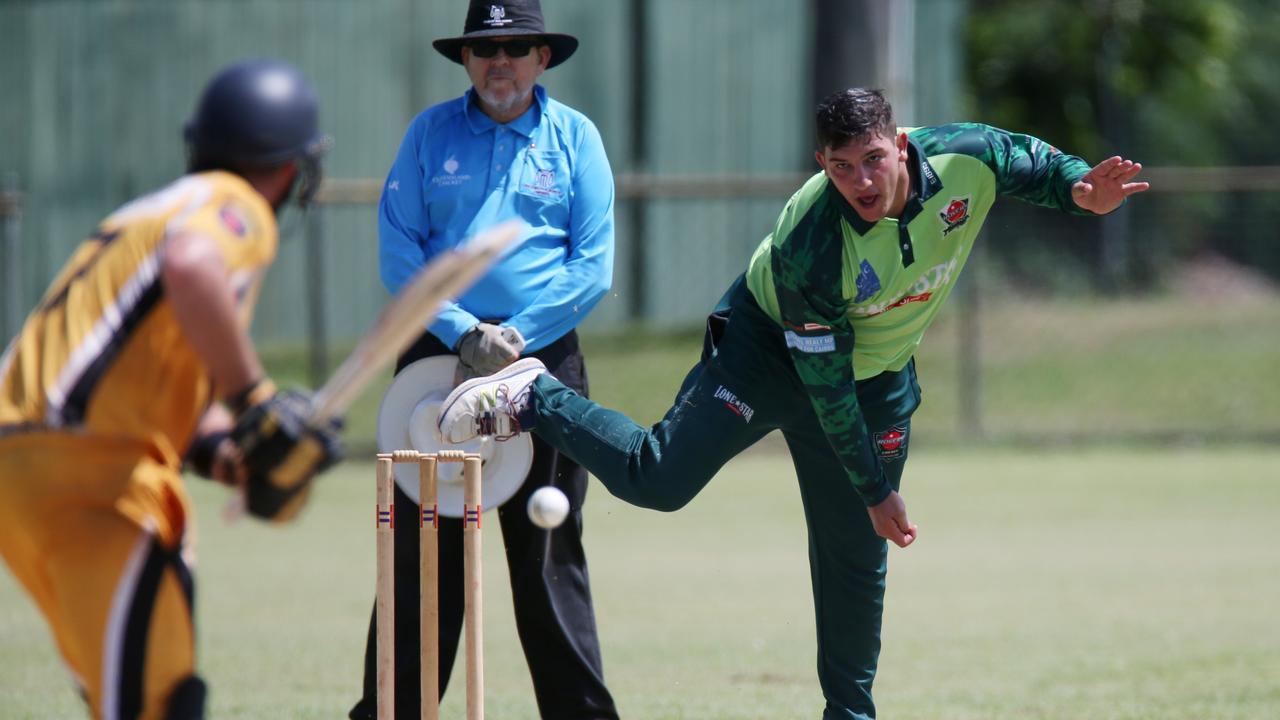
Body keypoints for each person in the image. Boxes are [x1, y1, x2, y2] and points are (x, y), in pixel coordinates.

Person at [438, 88, 1150, 719]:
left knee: (855, 556)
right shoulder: (812, 239)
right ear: (821, 164)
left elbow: (1036, 163)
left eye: (873, 160)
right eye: (840, 168)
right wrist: (872, 486)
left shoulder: (967, 155)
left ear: (900, 145)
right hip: (769, 351)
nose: (861, 182)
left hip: (877, 372)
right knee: (658, 479)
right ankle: (535, 394)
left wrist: (1083, 191)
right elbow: (825, 385)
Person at [0, 59, 343, 719]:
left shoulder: (154, 208)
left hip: (28, 467)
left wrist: (225, 452)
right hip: (92, 476)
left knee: (142, 697)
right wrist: (256, 399)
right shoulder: (234, 206)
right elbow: (192, 265)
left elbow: (139, 371)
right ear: (289, 166)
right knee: (160, 704)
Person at [348, 2, 619, 719]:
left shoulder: (575, 138)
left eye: (517, 47)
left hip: (542, 362)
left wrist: (516, 335)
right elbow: (399, 249)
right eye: (484, 50)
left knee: (548, 552)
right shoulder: (429, 133)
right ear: (466, 60)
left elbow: (592, 267)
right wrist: (464, 331)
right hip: (436, 359)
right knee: (419, 556)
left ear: (543, 58)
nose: (499, 62)